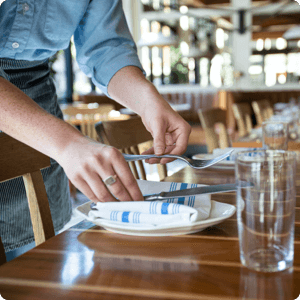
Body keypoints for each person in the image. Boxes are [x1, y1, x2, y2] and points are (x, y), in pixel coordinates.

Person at [0, 0, 191, 256]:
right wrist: (67, 143)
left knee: (37, 263)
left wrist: (146, 100)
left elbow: (107, 49)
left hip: (40, 108)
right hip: (46, 131)